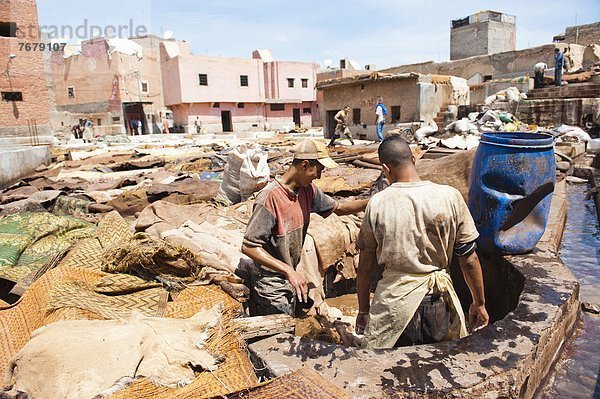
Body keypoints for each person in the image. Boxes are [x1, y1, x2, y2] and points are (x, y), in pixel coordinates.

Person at [355, 135, 489, 349]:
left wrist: (363, 310)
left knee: (389, 373)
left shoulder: (378, 203)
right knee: (441, 370)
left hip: (394, 306)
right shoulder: (449, 197)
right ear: (414, 161)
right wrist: (479, 303)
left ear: (385, 168)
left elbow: (364, 268)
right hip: (438, 303)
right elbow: (469, 258)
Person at [242, 139, 368, 316]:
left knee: (292, 323)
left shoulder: (308, 190)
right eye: (318, 171)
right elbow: (249, 246)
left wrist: (372, 202)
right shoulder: (270, 198)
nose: (319, 177)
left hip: (289, 274)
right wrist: (287, 270)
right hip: (270, 279)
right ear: (305, 165)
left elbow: (339, 208)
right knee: (278, 328)